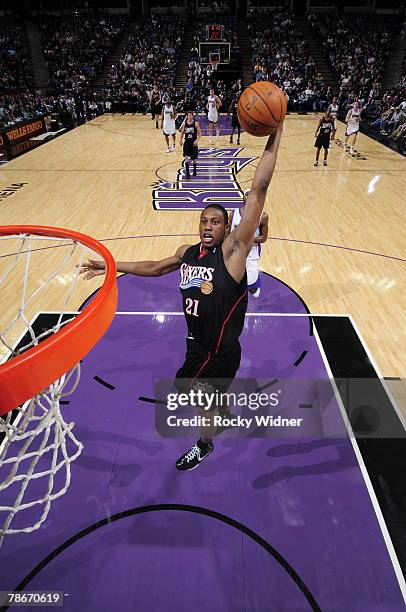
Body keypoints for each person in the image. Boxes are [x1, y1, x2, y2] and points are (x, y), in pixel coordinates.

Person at [79, 126, 283, 471]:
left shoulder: (232, 253)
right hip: (198, 346)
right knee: (199, 393)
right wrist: (109, 266)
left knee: (185, 387)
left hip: (216, 352)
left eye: (216, 222)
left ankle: (205, 442)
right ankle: (216, 413)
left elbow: (258, 188)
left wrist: (276, 131)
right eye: (204, 221)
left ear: (226, 229)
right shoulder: (187, 253)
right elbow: (156, 267)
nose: (207, 226)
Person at [230, 189, 268, 296]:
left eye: (252, 194)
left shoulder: (263, 216)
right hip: (235, 251)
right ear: (243, 197)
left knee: (251, 279)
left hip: (252, 252)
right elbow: (227, 234)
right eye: (247, 194)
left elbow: (263, 238)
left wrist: (246, 239)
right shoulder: (233, 214)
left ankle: (253, 288)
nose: (249, 196)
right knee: (234, 276)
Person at [179, 110, 202, 179]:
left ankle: (194, 170)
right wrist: (180, 140)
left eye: (190, 115)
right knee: (186, 158)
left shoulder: (196, 123)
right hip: (187, 143)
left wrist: (197, 140)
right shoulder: (184, 124)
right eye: (188, 115)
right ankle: (187, 173)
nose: (189, 117)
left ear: (192, 115)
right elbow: (182, 133)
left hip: (193, 143)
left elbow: (200, 134)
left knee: (194, 159)